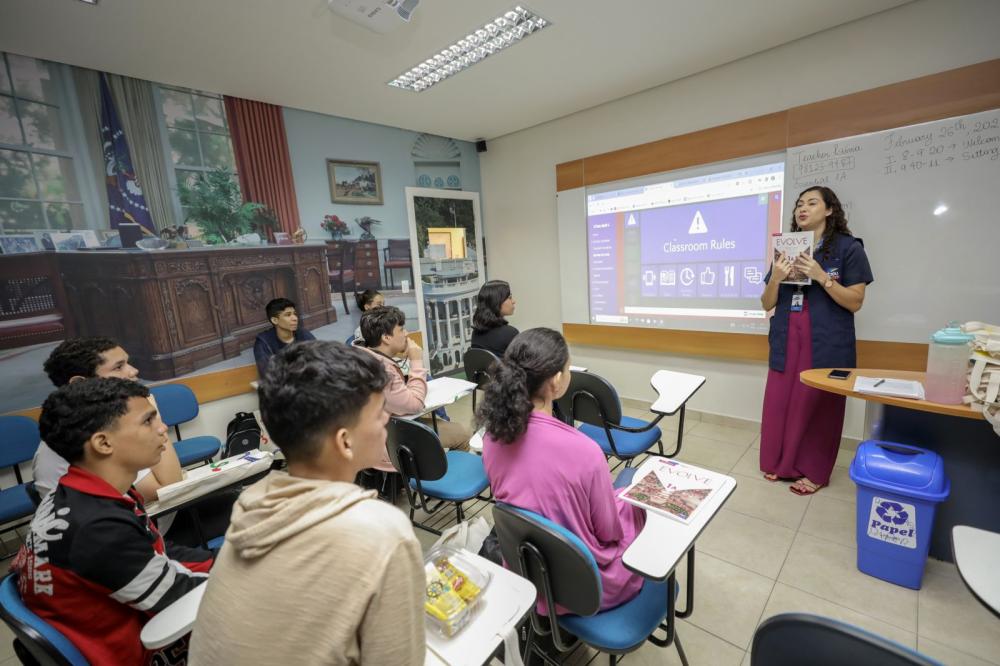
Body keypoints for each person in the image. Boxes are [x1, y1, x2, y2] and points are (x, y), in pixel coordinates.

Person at [188, 341, 424, 665]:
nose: (387, 418)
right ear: (345, 441)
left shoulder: (251, 507)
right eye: (379, 412)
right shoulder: (383, 534)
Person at [13, 378, 213, 665]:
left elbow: (158, 554)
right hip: (139, 652)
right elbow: (177, 595)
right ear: (103, 443)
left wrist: (222, 561)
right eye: (148, 421)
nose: (163, 429)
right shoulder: (97, 527)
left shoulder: (75, 494)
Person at [478, 327, 645, 612]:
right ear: (556, 381)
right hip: (584, 586)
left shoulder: (491, 437)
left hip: (528, 571)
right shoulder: (585, 451)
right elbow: (609, 533)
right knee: (636, 500)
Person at [759, 186, 873, 495]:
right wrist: (776, 278)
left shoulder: (849, 248)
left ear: (829, 210)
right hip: (787, 334)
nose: (801, 208)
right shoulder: (788, 248)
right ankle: (781, 464)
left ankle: (814, 471)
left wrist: (822, 276)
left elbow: (855, 301)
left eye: (811, 202)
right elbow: (767, 303)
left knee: (818, 403)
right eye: (798, 204)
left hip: (825, 338)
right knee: (782, 400)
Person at [33, 337, 183, 501]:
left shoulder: (106, 422)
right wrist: (154, 417)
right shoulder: (81, 434)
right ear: (78, 383)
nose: (133, 371)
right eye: (118, 367)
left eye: (127, 363)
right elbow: (168, 489)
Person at [358, 306, 470, 454]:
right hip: (391, 441)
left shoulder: (362, 355)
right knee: (462, 433)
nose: (406, 333)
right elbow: (415, 404)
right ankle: (445, 473)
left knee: (436, 417)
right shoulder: (382, 372)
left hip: (376, 431)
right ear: (386, 337)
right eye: (401, 329)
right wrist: (416, 360)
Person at [253, 297, 316, 376]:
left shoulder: (303, 334)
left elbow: (319, 360)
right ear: (275, 320)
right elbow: (267, 373)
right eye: (288, 315)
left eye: (295, 314)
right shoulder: (264, 342)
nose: (295, 318)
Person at [470, 279, 519, 357]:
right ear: (496, 302)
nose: (513, 301)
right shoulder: (510, 333)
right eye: (509, 297)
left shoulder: (475, 333)